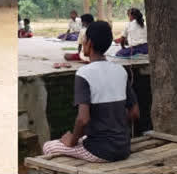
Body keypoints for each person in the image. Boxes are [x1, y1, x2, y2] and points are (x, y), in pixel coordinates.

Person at [43, 21, 140, 162]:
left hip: (99, 151)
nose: (83, 42)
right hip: (123, 148)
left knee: (49, 147)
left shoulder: (84, 73)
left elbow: (83, 119)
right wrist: (113, 127)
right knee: (82, 138)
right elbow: (135, 113)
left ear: (89, 43)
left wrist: (71, 140)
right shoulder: (121, 71)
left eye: (84, 39)